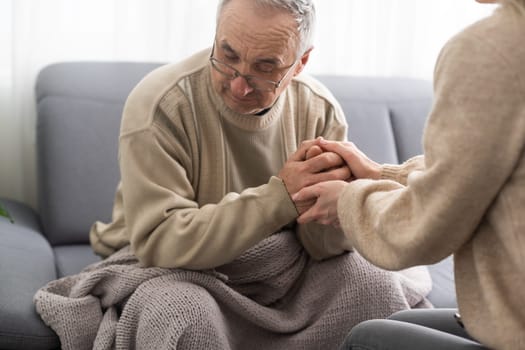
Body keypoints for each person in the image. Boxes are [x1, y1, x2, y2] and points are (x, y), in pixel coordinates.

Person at [33, 0, 433, 349]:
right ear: (216, 37)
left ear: (301, 63)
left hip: (282, 263)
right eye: (228, 56)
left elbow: (321, 247)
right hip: (171, 264)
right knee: (178, 313)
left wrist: (339, 205)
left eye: (264, 68)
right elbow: (160, 242)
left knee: (374, 286)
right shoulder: (161, 104)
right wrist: (282, 197)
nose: (239, 84)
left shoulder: (319, 109)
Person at [292, 0, 525, 349]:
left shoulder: (491, 50)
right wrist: (381, 173)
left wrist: (347, 201)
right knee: (398, 324)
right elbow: (481, 174)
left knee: (367, 339)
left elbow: (427, 227)